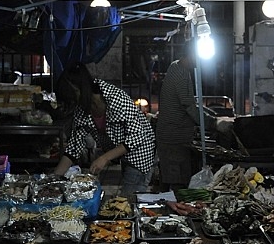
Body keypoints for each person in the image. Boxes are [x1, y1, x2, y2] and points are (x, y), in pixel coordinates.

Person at [52, 62, 155, 196]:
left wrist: (104, 158)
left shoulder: (115, 98)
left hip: (141, 152)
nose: (73, 104)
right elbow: (74, 147)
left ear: (79, 89)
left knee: (128, 199)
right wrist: (53, 179)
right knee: (126, 197)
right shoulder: (82, 107)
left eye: (72, 98)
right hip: (123, 153)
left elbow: (137, 135)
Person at [155, 43, 200, 191]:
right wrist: (212, 123)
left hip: (169, 135)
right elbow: (188, 105)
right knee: (177, 184)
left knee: (168, 181)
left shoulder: (175, 66)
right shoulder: (181, 74)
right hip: (174, 138)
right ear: (191, 56)